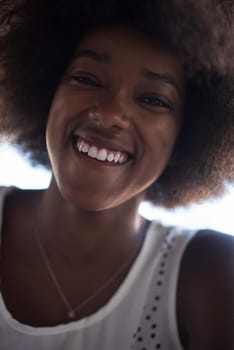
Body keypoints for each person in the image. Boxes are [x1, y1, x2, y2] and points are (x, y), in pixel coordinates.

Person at [0, 0, 233, 349]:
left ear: (184, 140)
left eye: (153, 100)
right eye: (86, 78)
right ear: (48, 93)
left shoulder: (211, 273)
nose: (109, 114)